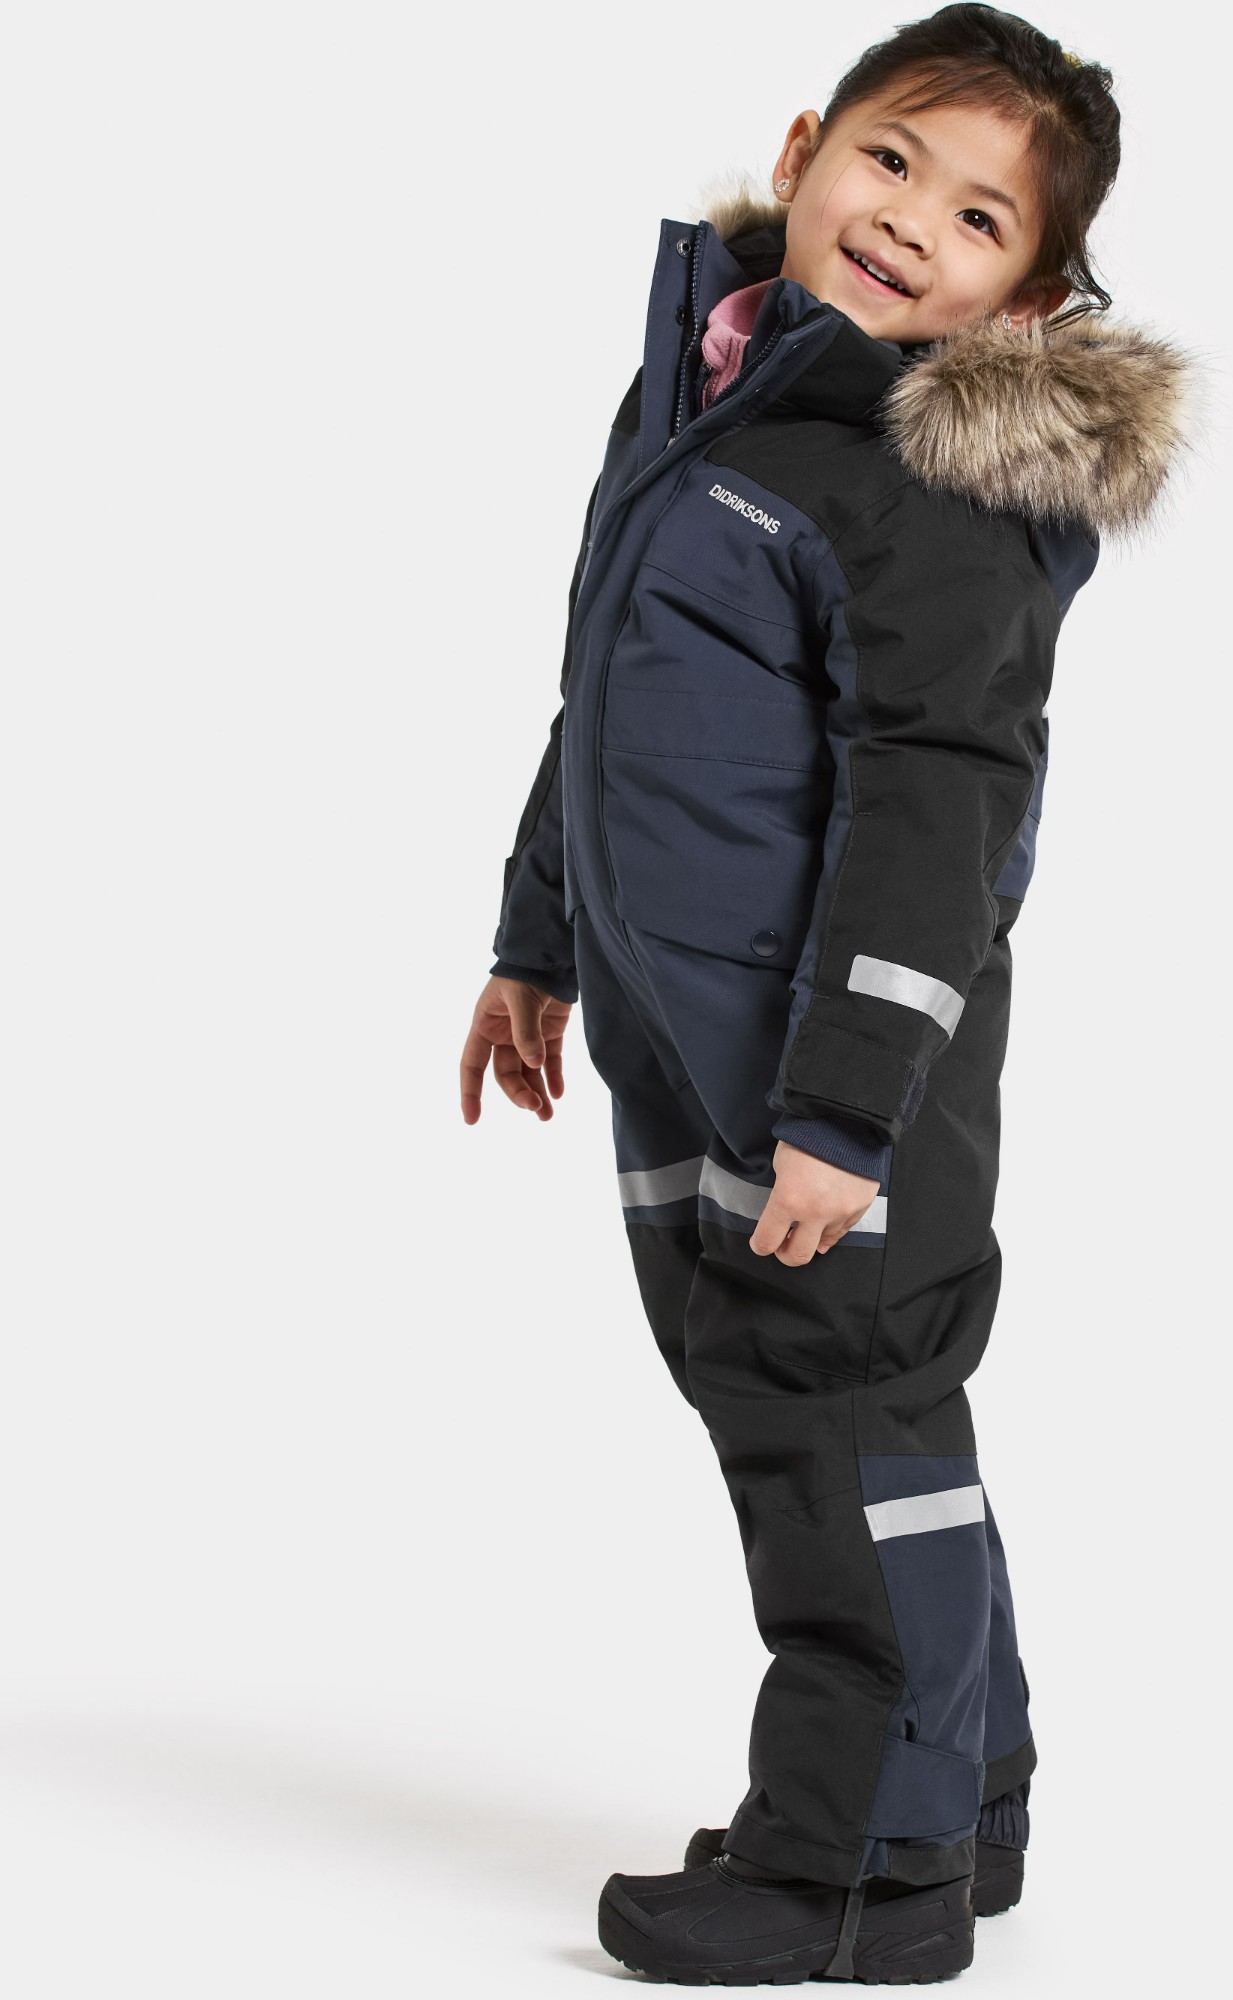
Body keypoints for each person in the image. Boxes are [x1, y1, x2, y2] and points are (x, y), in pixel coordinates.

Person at [459, 4, 1191, 1983]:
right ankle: (958, 1802)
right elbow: (607, 698)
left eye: (976, 217)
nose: (907, 221)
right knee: (848, 1417)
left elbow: (943, 812)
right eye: (888, 159)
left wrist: (845, 1107)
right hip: (687, 1034)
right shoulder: (715, 393)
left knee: (834, 1435)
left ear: (1021, 299)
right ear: (802, 148)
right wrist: (536, 942)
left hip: (826, 1073)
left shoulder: (921, 486)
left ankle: (850, 1877)